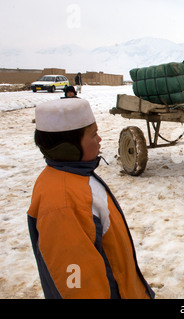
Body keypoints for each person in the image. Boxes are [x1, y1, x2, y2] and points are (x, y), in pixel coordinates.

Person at [28, 98, 155, 299]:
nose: (100, 139)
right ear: (68, 148)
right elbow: (78, 285)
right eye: (93, 134)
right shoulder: (64, 205)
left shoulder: (72, 177)